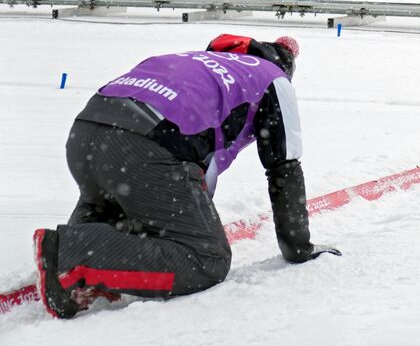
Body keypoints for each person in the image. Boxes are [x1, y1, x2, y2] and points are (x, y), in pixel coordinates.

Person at [32, 34, 337, 319]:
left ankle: (83, 240)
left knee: (113, 201)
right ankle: (71, 252)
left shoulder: (196, 63)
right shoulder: (272, 77)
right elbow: (285, 168)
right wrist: (299, 248)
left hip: (87, 132)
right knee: (208, 258)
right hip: (147, 143)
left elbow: (193, 171)